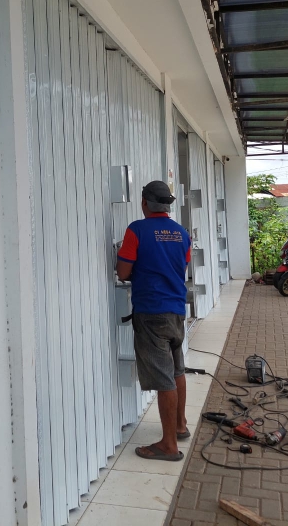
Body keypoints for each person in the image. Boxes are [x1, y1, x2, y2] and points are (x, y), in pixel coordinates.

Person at [116, 180, 191, 461]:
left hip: (151, 312)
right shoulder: (182, 233)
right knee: (177, 370)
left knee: (163, 379)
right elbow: (180, 266)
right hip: (176, 310)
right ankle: (180, 425)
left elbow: (123, 272)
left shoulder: (137, 230)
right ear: (167, 205)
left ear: (144, 202)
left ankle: (169, 445)